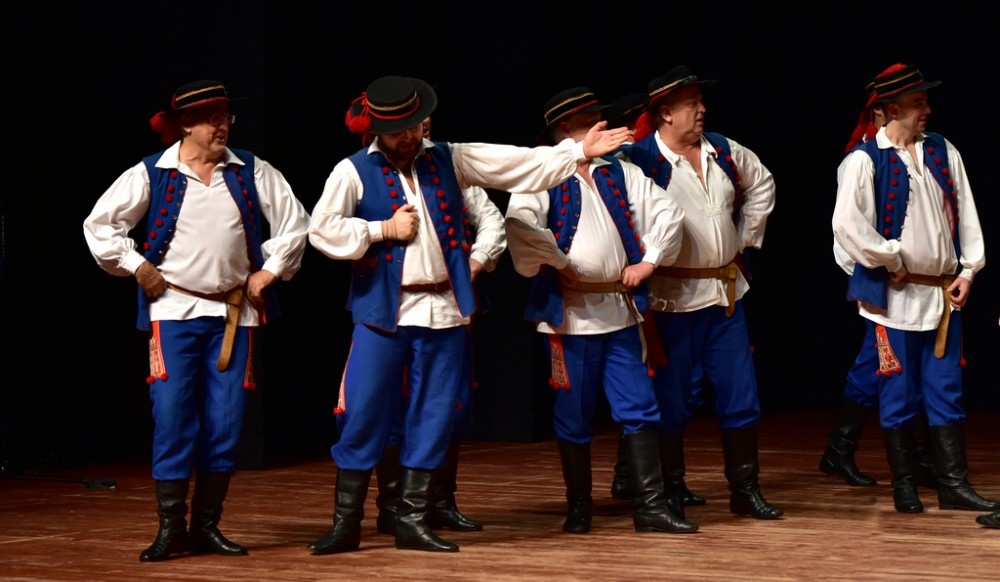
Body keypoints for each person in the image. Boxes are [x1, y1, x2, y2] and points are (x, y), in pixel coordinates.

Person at [306, 75, 632, 555]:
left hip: (443, 310)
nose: (409, 136)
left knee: (434, 414)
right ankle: (346, 523)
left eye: (414, 126)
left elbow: (516, 164)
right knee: (365, 413)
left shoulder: (450, 157)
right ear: (378, 130)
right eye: (397, 130)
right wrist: (381, 230)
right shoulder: (352, 171)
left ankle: (413, 518)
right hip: (384, 312)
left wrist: (578, 151)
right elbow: (322, 230)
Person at [82, 79, 311, 562]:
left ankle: (207, 526)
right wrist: (137, 266)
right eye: (212, 118)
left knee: (226, 421)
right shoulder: (153, 172)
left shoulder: (252, 169)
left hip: (234, 316)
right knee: (172, 418)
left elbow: (295, 224)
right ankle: (171, 527)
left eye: (226, 116)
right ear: (186, 124)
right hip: (174, 313)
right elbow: (99, 225)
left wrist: (270, 271)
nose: (222, 125)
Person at [505, 86, 695, 535]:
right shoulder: (541, 173)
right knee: (573, 412)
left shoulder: (619, 170)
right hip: (570, 317)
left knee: (640, 406)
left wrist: (649, 260)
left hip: (619, 310)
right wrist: (557, 262)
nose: (602, 126)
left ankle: (650, 507)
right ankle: (579, 507)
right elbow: (520, 225)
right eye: (591, 120)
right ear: (565, 130)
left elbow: (667, 212)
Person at [832, 63, 996, 514]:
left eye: (925, 101)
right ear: (890, 110)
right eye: (918, 102)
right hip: (893, 301)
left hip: (942, 295)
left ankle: (953, 483)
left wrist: (969, 270)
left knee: (946, 388)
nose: (928, 109)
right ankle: (903, 485)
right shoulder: (865, 160)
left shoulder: (942, 150)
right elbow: (846, 226)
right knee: (898, 390)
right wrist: (889, 258)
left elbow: (966, 210)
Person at [621, 65, 782, 520]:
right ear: (666, 113)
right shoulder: (640, 161)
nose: (702, 109)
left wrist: (743, 238)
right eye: (692, 103)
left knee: (740, 393)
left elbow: (763, 183)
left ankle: (745, 490)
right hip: (672, 300)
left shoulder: (723, 150)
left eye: (700, 101)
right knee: (671, 399)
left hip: (725, 295)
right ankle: (671, 488)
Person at [373, 116, 504, 537]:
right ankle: (392, 505)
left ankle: (441, 501)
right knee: (392, 405)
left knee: (448, 402)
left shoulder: (450, 170)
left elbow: (492, 221)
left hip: (448, 308)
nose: (420, 131)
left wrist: (475, 263)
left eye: (425, 123)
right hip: (392, 310)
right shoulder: (370, 175)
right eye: (412, 124)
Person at [823, 73, 938, 489]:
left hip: (901, 283)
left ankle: (845, 450)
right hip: (879, 281)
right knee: (883, 365)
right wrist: (874, 271)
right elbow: (849, 231)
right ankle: (858, 453)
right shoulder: (864, 158)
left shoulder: (913, 154)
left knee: (881, 365)